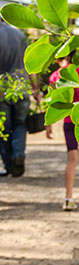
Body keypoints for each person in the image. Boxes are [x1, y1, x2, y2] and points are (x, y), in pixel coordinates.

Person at [46, 55, 79, 211]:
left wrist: (49, 124)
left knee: (72, 158)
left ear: (57, 60)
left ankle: (68, 197)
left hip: (68, 121)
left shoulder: (55, 76)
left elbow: (53, 102)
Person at [0, 17, 29, 177]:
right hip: (22, 88)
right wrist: (36, 88)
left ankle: (9, 166)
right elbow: (31, 63)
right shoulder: (19, 34)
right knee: (20, 124)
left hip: (2, 90)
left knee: (4, 129)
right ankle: (18, 154)